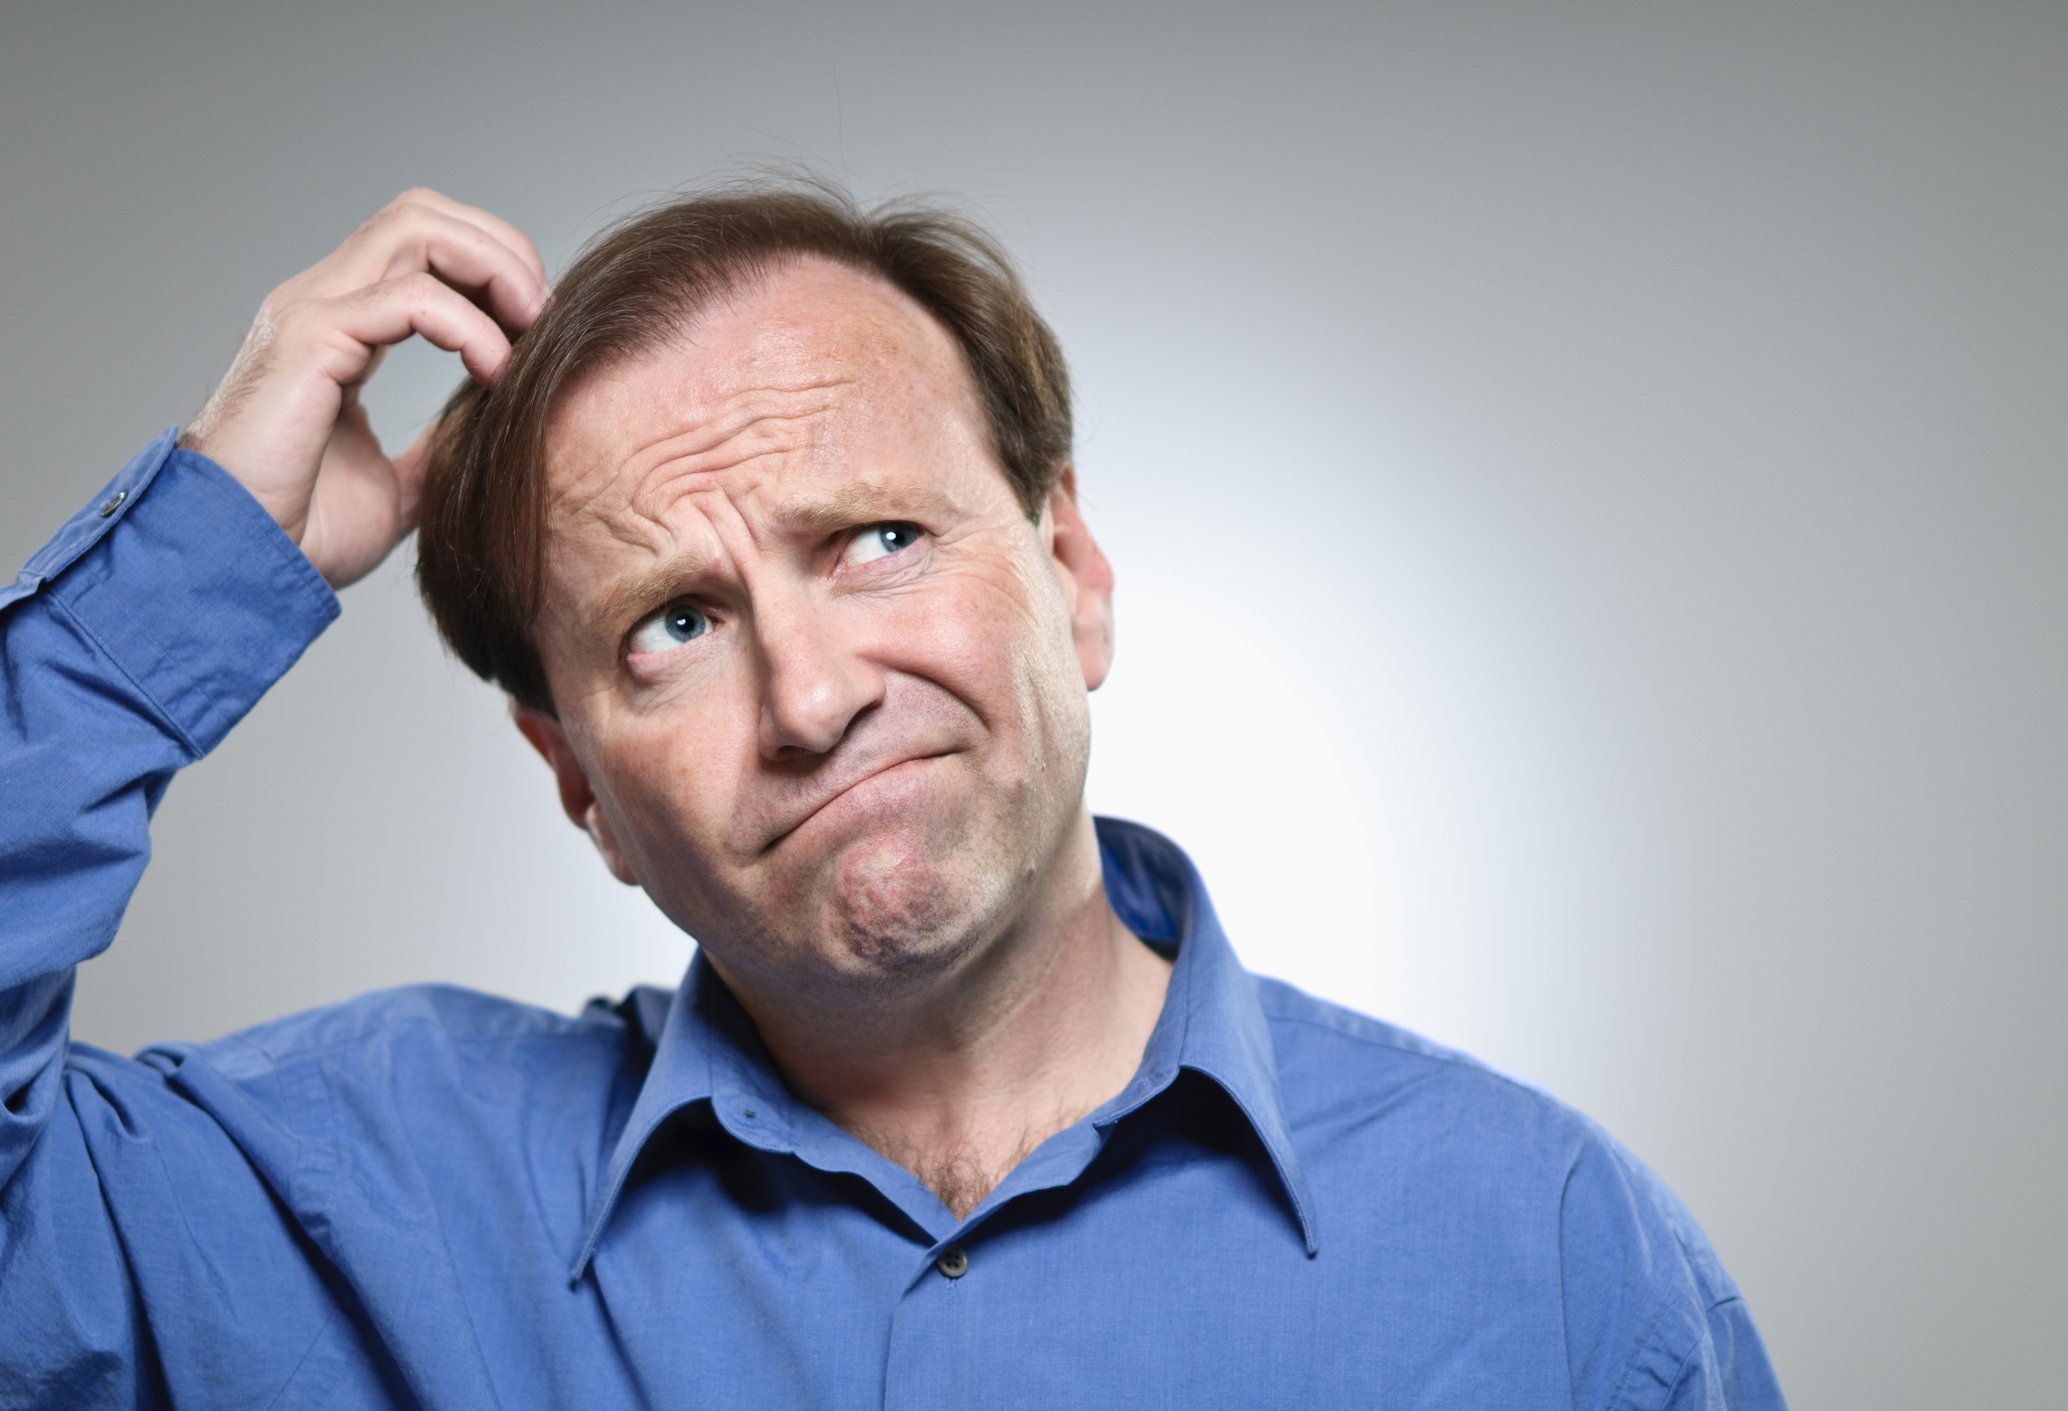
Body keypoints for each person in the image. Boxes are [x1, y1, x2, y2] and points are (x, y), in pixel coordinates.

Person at [0, 183, 1785, 1408]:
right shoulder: (346, 1203)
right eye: (674, 626)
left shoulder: (1547, 1256)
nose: (813, 693)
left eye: (876, 540)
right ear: (580, 793)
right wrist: (189, 577)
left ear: (1069, 569)